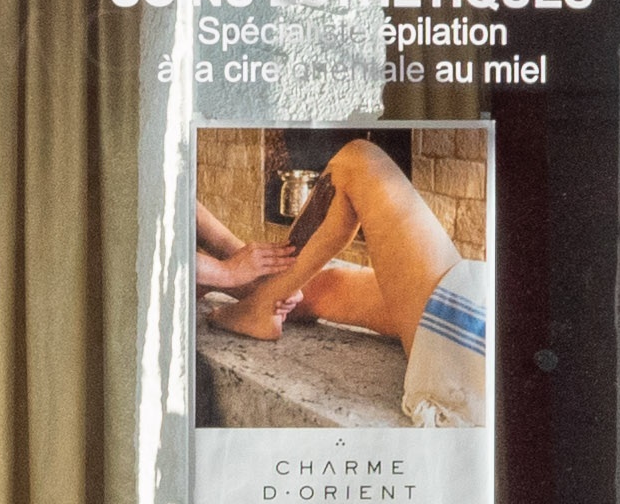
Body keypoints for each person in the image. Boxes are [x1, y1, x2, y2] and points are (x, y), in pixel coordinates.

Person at [196, 136, 490, 428]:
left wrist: (223, 271)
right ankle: (261, 298)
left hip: (482, 355)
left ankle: (260, 305)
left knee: (357, 161)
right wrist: (223, 272)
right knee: (325, 288)